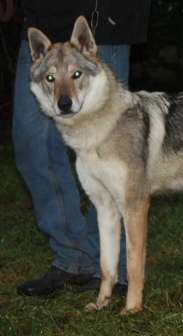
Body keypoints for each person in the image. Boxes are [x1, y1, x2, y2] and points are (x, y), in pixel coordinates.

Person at [12, 0, 151, 296]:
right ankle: (73, 255)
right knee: (31, 143)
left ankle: (117, 270)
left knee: (114, 156)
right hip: (41, 17)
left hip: (104, 17)